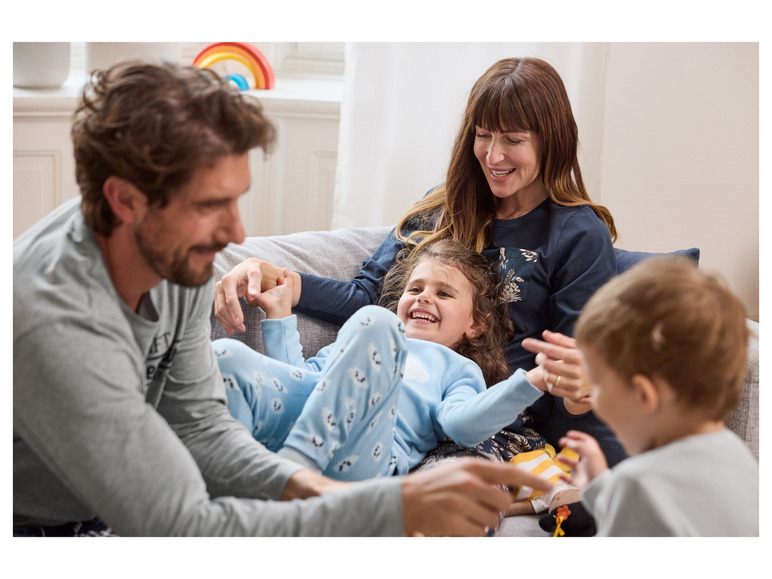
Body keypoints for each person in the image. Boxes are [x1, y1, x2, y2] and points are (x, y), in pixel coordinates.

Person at [12, 61, 552, 537]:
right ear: (125, 200)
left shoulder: (169, 255)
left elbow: (200, 424)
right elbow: (180, 525)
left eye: (237, 200)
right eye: (211, 204)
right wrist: (385, 510)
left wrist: (330, 494)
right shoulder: (56, 323)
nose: (235, 232)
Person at [214, 56, 626, 467]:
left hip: (488, 421)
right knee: (247, 356)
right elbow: (368, 299)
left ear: (550, 141)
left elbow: (577, 368)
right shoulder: (442, 208)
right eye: (483, 136)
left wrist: (597, 473)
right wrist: (279, 278)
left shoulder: (576, 234)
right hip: (387, 392)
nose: (493, 156)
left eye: (513, 140)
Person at [216, 239, 586, 482]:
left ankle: (293, 478)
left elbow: (463, 426)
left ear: (475, 324)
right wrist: (279, 315)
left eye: (443, 293)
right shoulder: (358, 340)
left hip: (362, 461)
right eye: (415, 289)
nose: (424, 298)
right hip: (302, 428)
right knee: (228, 356)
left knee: (376, 322)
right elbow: (295, 379)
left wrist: (532, 381)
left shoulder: (457, 369)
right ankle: (234, 480)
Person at [558, 257, 758, 536]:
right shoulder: (740, 459)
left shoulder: (638, 483)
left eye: (598, 383)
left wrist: (619, 489)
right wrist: (603, 487)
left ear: (643, 396)